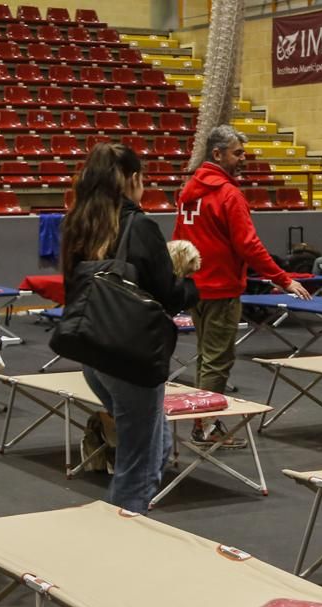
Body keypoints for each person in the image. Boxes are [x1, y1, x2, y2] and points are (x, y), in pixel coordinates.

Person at [61, 143, 198, 514]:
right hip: (131, 358)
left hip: (94, 356)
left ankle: (133, 528)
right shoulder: (140, 226)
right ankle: (122, 541)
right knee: (138, 469)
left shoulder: (78, 222)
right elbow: (169, 297)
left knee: (154, 451)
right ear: (133, 179)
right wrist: (189, 283)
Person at [173, 125, 312, 446]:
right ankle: (205, 427)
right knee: (217, 360)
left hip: (195, 288)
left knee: (206, 357)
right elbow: (248, 246)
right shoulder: (229, 194)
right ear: (217, 154)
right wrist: (283, 278)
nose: (242, 159)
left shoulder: (189, 189)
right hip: (221, 290)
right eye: (237, 153)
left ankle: (201, 421)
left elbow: (179, 239)